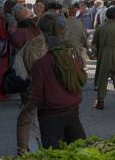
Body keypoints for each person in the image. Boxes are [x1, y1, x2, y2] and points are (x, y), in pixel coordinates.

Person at [29, 14, 87, 147]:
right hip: (72, 109)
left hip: (50, 114)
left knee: (54, 155)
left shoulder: (41, 62)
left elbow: (36, 93)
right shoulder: (73, 55)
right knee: (79, 151)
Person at [10, 17, 44, 154]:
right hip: (44, 89)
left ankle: (27, 151)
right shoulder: (41, 43)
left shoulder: (26, 40)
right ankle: (38, 150)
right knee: (37, 119)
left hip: (30, 84)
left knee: (28, 118)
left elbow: (19, 64)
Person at [91, 6, 115, 108]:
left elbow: (94, 44)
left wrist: (95, 53)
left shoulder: (100, 28)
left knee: (102, 80)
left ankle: (100, 101)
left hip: (103, 56)